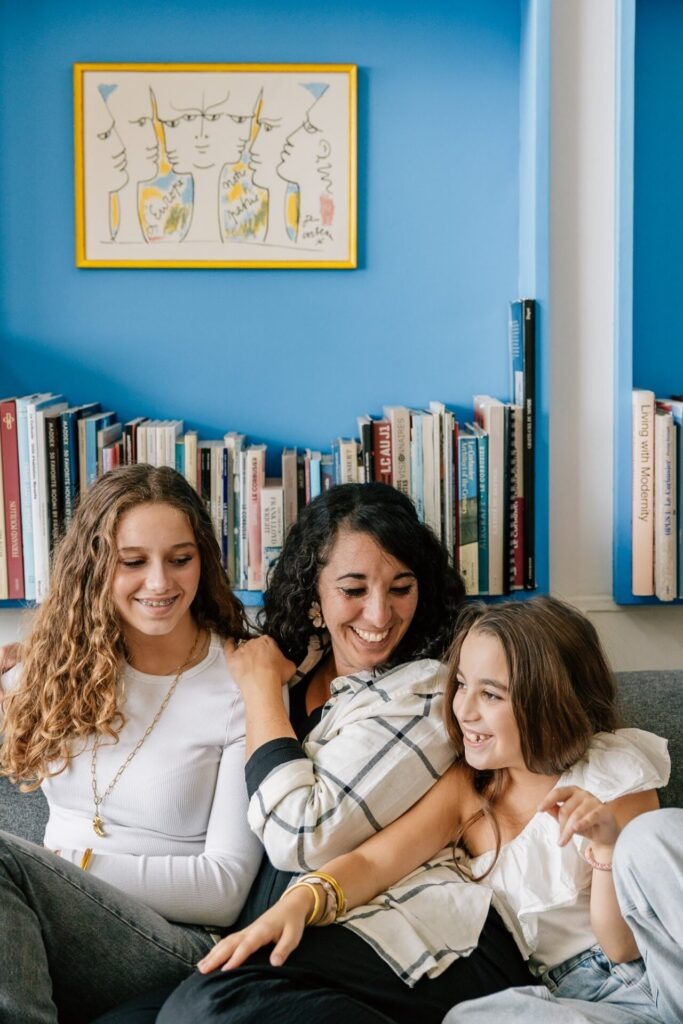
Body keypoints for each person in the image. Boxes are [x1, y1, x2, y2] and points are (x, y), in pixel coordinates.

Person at [153, 596, 673, 1024]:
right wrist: (299, 903)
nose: (464, 709)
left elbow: (624, 947)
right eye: (463, 685)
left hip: (658, 963)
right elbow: (375, 863)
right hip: (583, 999)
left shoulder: (613, 770)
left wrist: (606, 848)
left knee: (653, 838)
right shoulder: (470, 791)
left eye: (490, 694)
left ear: (547, 699)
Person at [0, 465, 263, 1024]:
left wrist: (71, 863)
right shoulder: (58, 664)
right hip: (42, 912)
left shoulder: (240, 683)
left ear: (204, 561)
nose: (161, 583)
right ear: (95, 567)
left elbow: (224, 890)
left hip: (175, 943)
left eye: (180, 558)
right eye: (134, 561)